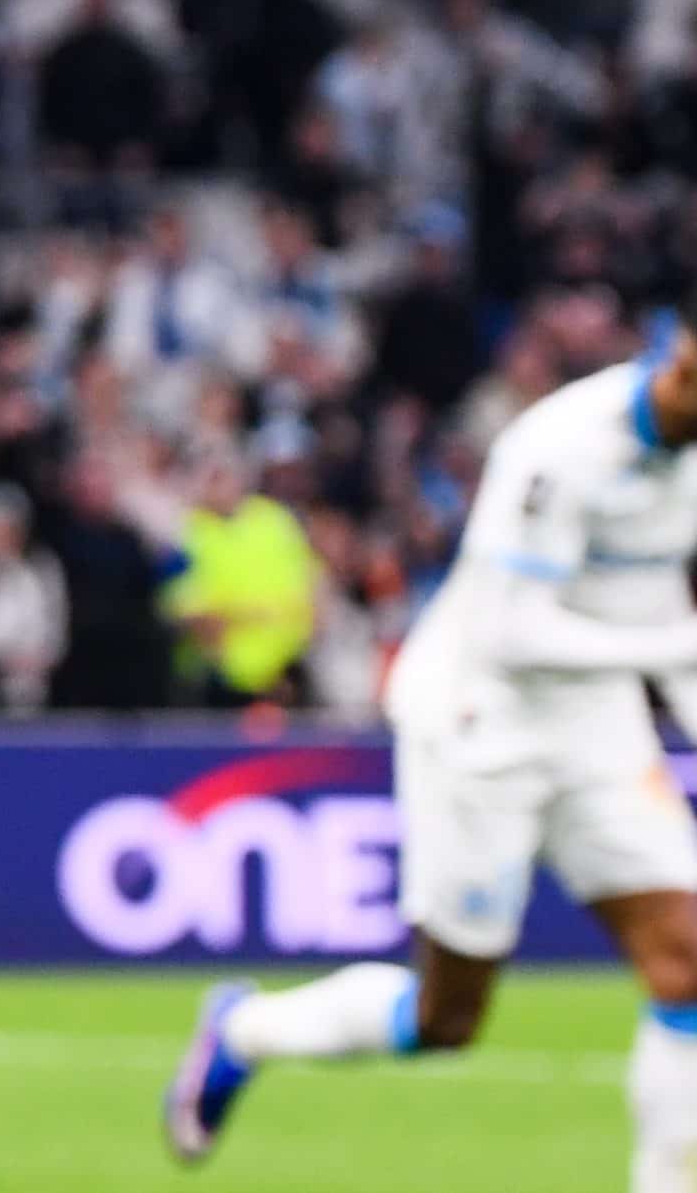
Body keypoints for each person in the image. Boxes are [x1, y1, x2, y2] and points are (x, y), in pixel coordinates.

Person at [165, 309, 697, 1186]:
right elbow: (512, 635)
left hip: (596, 720)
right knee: (446, 1019)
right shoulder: (560, 447)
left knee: (686, 964)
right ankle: (244, 1030)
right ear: (682, 368)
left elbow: (663, 614)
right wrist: (671, 648)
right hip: (480, 721)